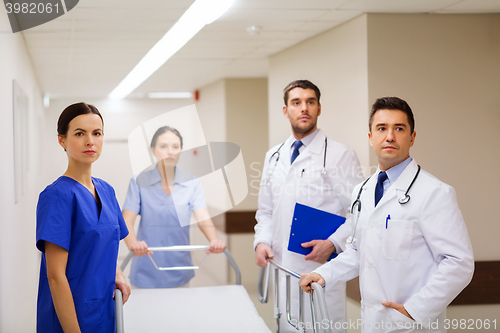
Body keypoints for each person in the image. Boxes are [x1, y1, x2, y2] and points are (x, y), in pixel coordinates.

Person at [300, 97, 474, 332]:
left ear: (412, 137)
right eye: (381, 128)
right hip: (373, 322)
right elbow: (358, 251)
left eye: (399, 129)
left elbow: (459, 263)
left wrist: (416, 309)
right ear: (371, 137)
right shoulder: (362, 190)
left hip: (411, 323)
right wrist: (324, 274)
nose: (390, 136)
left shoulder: (435, 193)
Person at [254, 80, 363, 332]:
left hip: (319, 272)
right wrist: (262, 241)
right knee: (286, 326)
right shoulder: (274, 156)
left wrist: (333, 243)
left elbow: (360, 213)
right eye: (296, 102)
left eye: (310, 102)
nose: (304, 108)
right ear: (286, 111)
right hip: (282, 268)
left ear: (319, 108)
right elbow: (266, 211)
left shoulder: (339, 154)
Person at [36, 102, 131, 333]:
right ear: (62, 140)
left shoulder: (106, 191)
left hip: (104, 310)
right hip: (69, 318)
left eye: (96, 133)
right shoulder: (57, 196)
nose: (90, 141)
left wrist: (117, 273)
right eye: (80, 133)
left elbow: (106, 246)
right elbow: (55, 276)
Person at [122, 126, 226, 288]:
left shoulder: (192, 183)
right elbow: (126, 220)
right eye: (163, 146)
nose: (170, 152)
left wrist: (214, 240)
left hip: (180, 268)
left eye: (175, 147)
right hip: (146, 267)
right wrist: (133, 243)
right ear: (153, 150)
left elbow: (203, 218)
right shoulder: (139, 182)